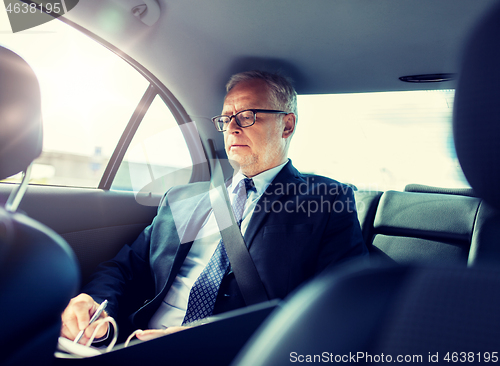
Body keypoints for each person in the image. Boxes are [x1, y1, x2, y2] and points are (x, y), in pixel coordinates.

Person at [60, 70, 368, 344]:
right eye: (226, 118)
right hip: (136, 344)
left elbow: (338, 303)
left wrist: (206, 336)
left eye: (248, 115)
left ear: (286, 125)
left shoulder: (327, 199)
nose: (232, 127)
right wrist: (93, 302)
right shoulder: (181, 199)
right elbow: (124, 268)